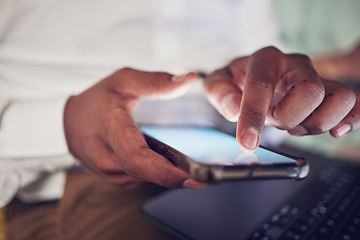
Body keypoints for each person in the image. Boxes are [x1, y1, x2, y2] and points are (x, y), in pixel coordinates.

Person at [0, 0, 359, 239]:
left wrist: (272, 101)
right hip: (78, 183)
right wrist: (63, 125)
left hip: (234, 169)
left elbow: (257, 102)